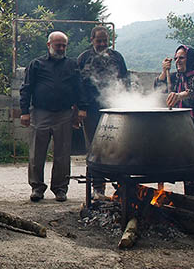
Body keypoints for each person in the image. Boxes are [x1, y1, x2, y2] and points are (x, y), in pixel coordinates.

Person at [20, 31, 88, 202]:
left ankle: (60, 189)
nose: (61, 48)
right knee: (37, 153)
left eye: (64, 45)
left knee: (63, 154)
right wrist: (24, 112)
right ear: (49, 45)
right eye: (58, 45)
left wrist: (82, 108)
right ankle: (37, 188)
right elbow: (26, 88)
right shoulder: (36, 64)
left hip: (64, 114)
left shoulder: (72, 65)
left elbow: (79, 87)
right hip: (40, 113)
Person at [154, 45, 194, 199]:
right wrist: (164, 72)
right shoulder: (176, 77)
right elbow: (159, 88)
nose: (178, 61)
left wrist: (181, 95)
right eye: (176, 58)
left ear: (190, 59)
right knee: (189, 166)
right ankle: (191, 202)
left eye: (182, 58)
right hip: (186, 129)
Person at [77, 26, 129, 199]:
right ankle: (98, 188)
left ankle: (121, 186)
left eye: (105, 40)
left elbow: (125, 80)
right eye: (99, 40)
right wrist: (81, 108)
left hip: (114, 109)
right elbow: (79, 85)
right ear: (92, 40)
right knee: (94, 149)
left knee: (117, 148)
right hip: (91, 110)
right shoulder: (84, 58)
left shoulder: (117, 57)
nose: (102, 44)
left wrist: (125, 102)